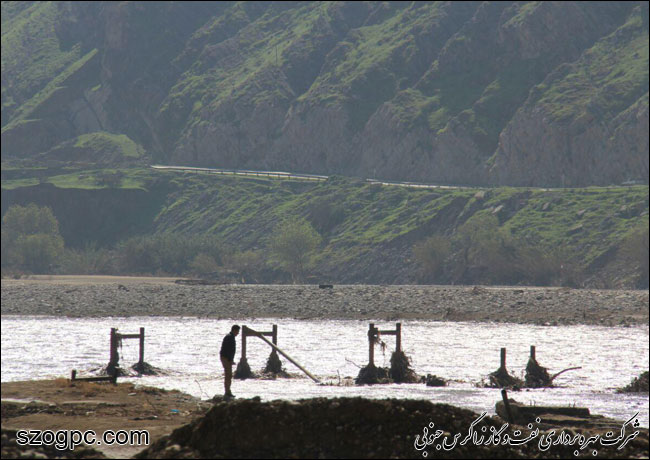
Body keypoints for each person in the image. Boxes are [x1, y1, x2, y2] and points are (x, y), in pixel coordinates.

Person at [220, 325, 240, 398]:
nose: (238, 333)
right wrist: (229, 360)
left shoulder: (230, 337)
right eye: (237, 331)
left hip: (226, 358)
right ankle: (227, 392)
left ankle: (228, 391)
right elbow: (228, 350)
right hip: (226, 358)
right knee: (228, 375)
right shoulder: (230, 337)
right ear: (234, 330)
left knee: (228, 375)